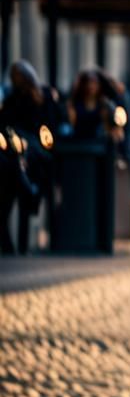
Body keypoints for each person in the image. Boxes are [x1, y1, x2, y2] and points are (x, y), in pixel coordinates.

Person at [0, 61, 61, 254]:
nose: (16, 80)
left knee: (27, 203)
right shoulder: (12, 99)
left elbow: (51, 124)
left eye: (19, 76)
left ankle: (24, 247)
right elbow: (4, 125)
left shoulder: (43, 96)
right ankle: (11, 248)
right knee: (7, 204)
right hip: (14, 159)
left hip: (36, 158)